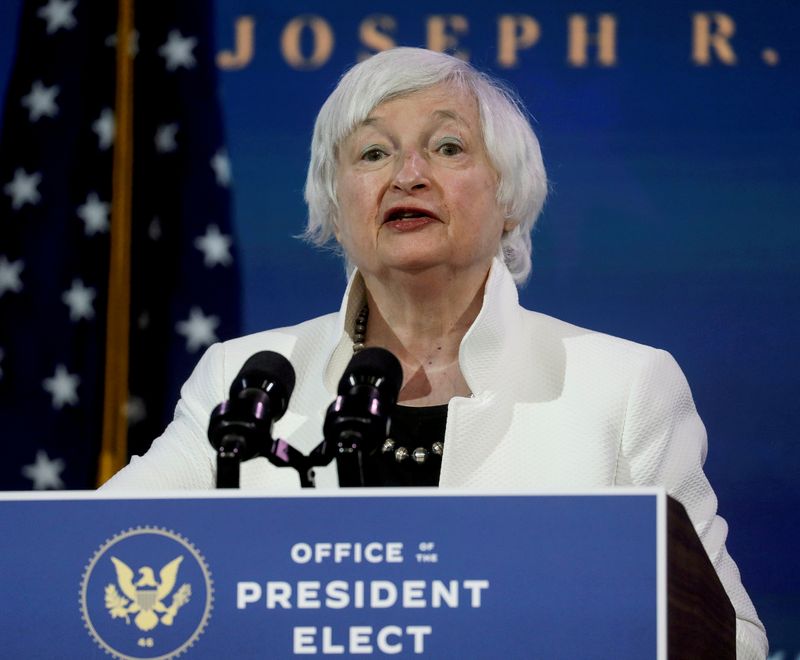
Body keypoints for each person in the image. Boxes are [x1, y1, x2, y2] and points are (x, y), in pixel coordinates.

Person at [102, 47, 767, 657]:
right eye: (372, 155)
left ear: (508, 198)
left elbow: (731, 639)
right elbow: (88, 559)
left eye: (447, 147)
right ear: (336, 210)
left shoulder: (623, 389)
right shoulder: (243, 381)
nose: (408, 175)